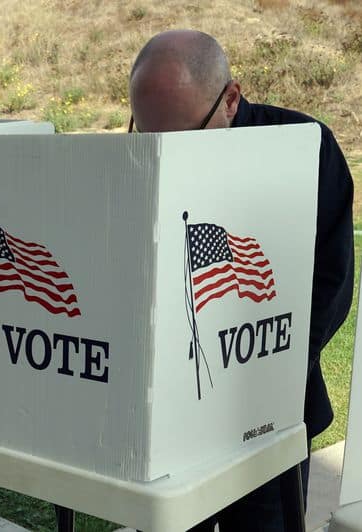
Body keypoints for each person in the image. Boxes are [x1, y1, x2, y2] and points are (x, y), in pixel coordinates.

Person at [128, 30, 354, 531]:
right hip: (169, 423)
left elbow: (331, 285)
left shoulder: (304, 149)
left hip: (264, 414)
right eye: (146, 135)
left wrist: (257, 366)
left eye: (179, 137)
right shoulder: (140, 154)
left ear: (230, 99)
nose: (161, 152)